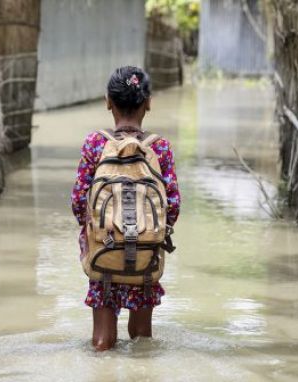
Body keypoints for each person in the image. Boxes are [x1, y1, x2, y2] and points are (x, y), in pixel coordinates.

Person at [71, 66, 181, 351]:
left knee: (102, 342)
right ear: (148, 103)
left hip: (103, 251)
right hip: (146, 254)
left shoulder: (95, 144)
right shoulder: (160, 148)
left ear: (108, 101)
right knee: (142, 340)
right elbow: (173, 206)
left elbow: (79, 201)